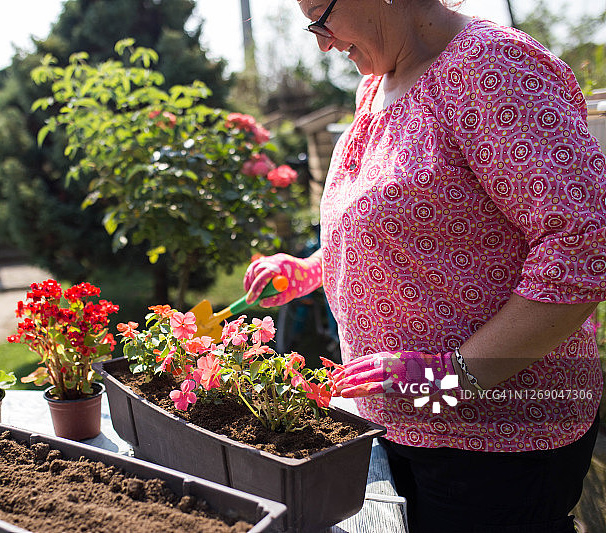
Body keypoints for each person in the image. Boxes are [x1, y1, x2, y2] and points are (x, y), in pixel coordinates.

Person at [243, 1, 606, 531]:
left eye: (321, 14)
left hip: (494, 438)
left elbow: (583, 246)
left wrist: (451, 376)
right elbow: (400, 224)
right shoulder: (379, 81)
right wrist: (314, 268)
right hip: (401, 420)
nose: (321, 40)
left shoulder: (493, 67)